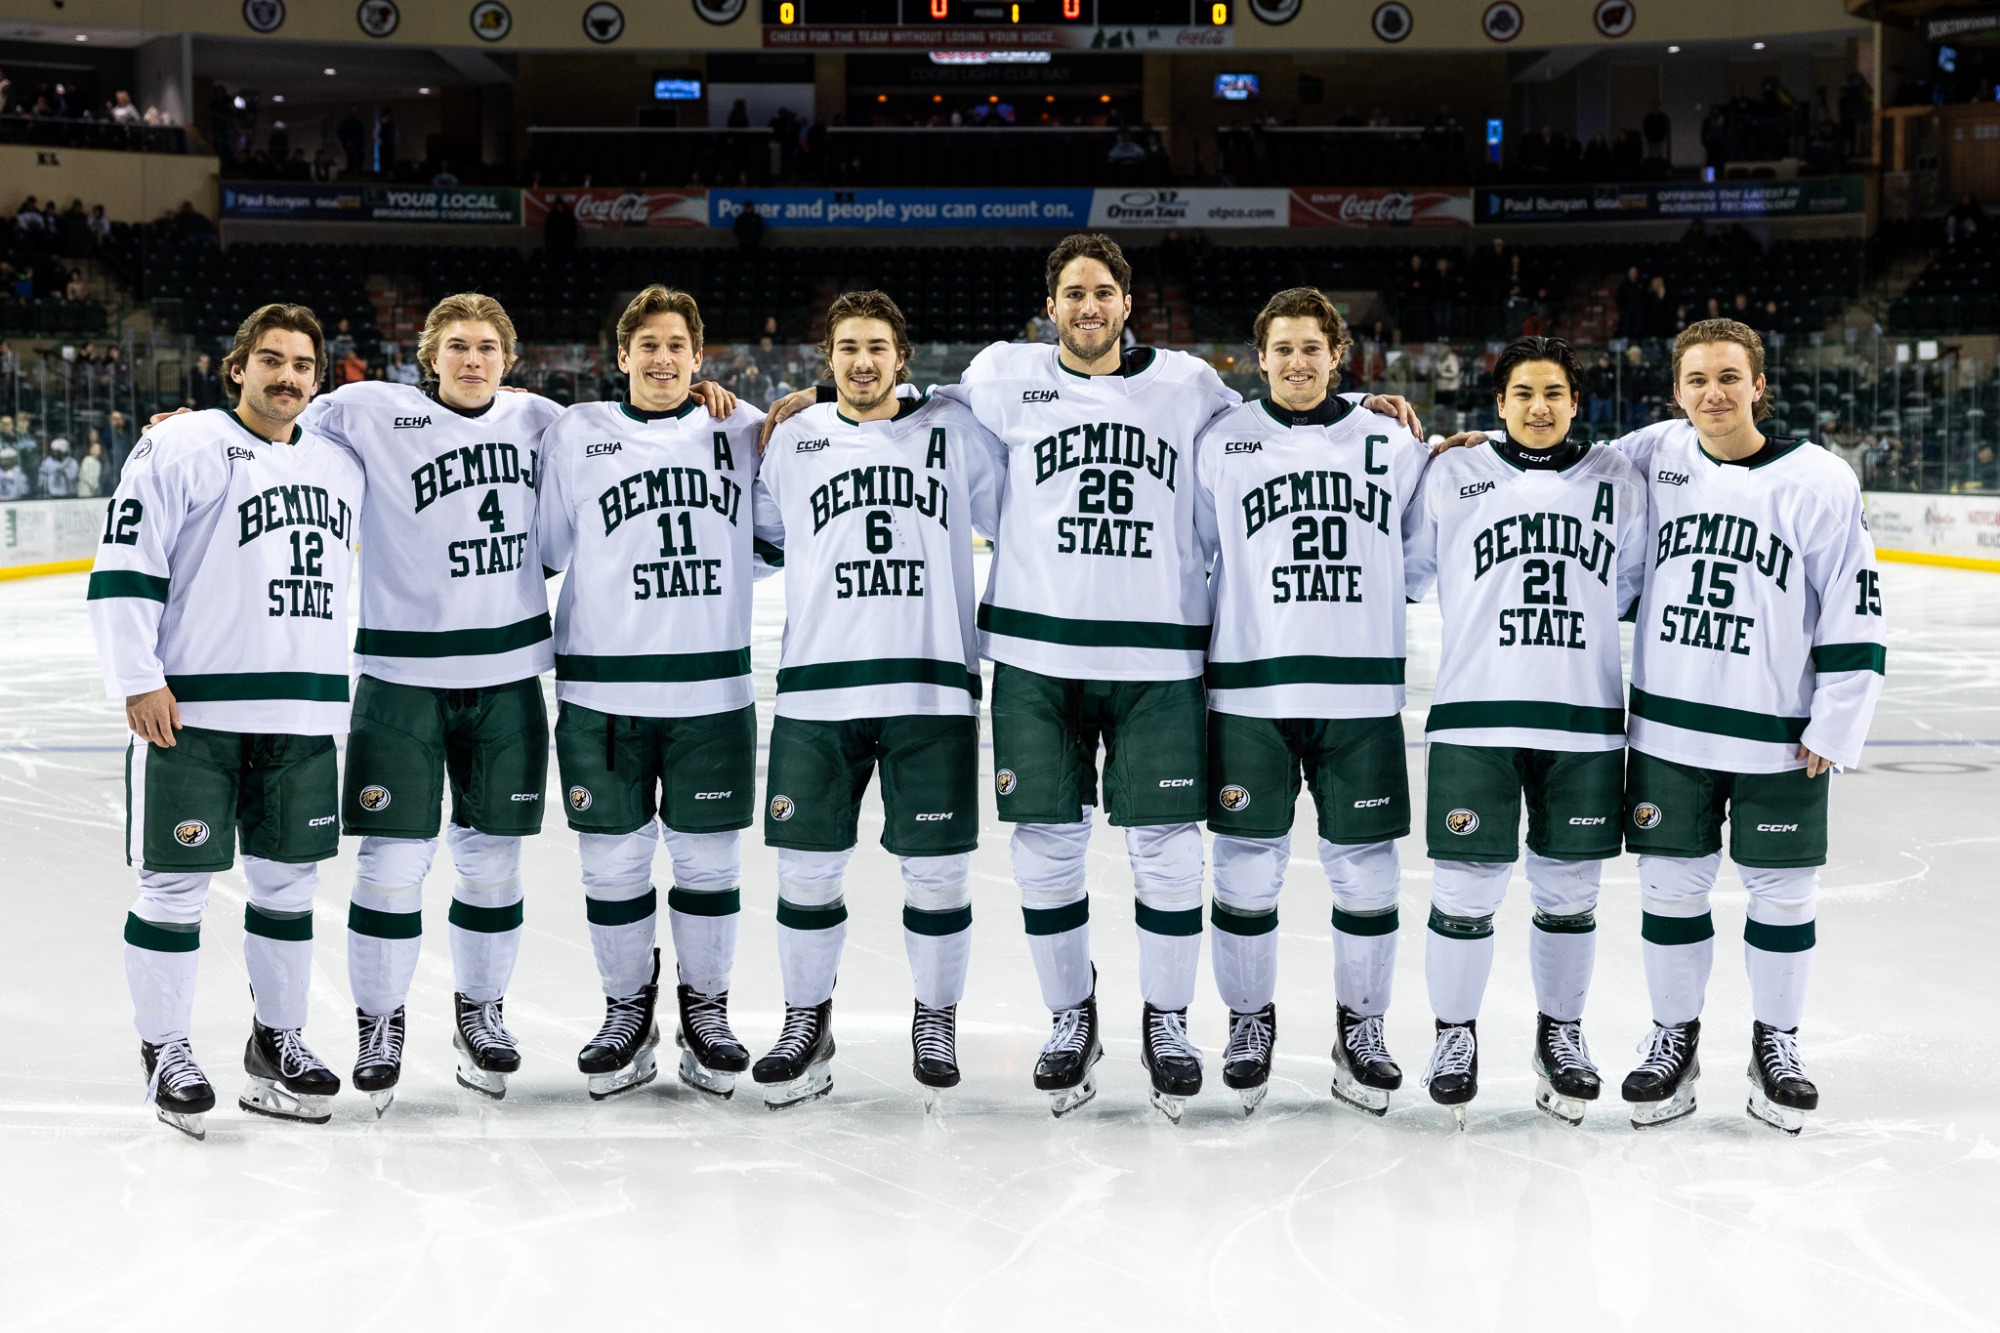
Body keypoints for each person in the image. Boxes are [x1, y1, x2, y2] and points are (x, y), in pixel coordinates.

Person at [90, 302, 365, 1140]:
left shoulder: (341, 462)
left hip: (304, 710)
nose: (288, 376)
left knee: (288, 888)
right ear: (236, 366)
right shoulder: (180, 443)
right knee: (173, 888)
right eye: (272, 359)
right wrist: (138, 676)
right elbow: (126, 560)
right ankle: (165, 1046)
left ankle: (275, 1040)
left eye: (304, 365)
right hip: (194, 709)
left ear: (319, 379)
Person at [1613, 319, 1885, 1134]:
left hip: (1779, 733)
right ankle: (1674, 1037)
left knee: (1783, 893)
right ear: (1677, 391)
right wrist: (1454, 441)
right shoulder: (1656, 453)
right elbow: (1550, 452)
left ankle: (1778, 1042)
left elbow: (1854, 600)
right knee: (1670, 891)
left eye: (1729, 377)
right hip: (1667, 727)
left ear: (1759, 384)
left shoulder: (1821, 479)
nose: (1713, 394)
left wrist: (1837, 718)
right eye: (1697, 380)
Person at [748, 290, 1003, 1110]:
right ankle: (805, 1019)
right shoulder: (792, 438)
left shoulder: (957, 434)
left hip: (930, 687)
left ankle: (935, 1017)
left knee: (937, 874)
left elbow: (1021, 510)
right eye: (848, 348)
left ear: (903, 356)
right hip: (819, 688)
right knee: (807, 870)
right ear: (828, 360)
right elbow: (753, 542)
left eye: (879, 348)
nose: (863, 362)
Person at [1196, 288, 1431, 1118]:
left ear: (1340, 355)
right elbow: (1196, 550)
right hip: (1249, 689)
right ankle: (1248, 1021)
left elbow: (1422, 555)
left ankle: (1360, 1029)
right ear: (1257, 359)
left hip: (1360, 692)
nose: (1298, 362)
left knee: (1366, 875)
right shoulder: (1220, 439)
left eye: (1312, 348)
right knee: (1244, 871)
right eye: (1282, 348)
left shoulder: (1393, 441)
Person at [1402, 336, 1646, 1128]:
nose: (1538, 407)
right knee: (1465, 891)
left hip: (1585, 719)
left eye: (1554, 393)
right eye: (1521, 393)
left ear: (1579, 401)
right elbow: (1405, 569)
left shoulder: (1622, 479)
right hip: (1476, 713)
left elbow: (1639, 585)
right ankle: (1453, 1036)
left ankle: (1560, 1036)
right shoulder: (1453, 471)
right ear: (1497, 402)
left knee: (1570, 894)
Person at [535, 287, 767, 1102]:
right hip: (601, 687)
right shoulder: (576, 432)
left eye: (678, 345)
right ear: (621, 356)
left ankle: (707, 1011)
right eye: (648, 345)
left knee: (708, 859)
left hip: (711, 685)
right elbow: (548, 548)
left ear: (699, 358)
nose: (663, 358)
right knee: (612, 860)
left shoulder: (742, 430)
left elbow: (770, 543)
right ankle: (626, 1011)